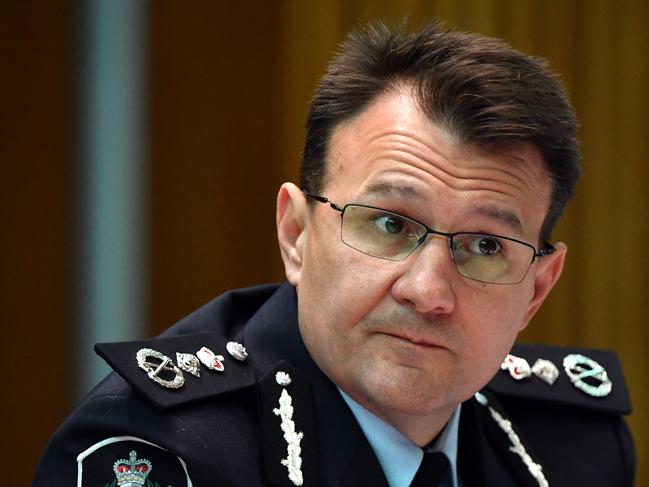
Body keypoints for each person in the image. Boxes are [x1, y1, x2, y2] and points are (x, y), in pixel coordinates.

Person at [33, 20, 634, 487]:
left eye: (485, 246)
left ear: (536, 288)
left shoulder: (572, 449)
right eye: (391, 224)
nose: (428, 292)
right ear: (296, 234)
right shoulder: (164, 450)